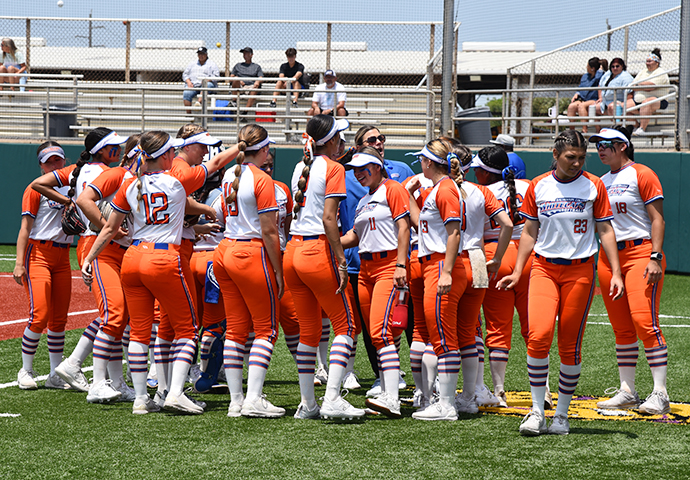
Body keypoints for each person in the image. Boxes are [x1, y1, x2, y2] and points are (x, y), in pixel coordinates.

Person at [81, 130, 242, 415]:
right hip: (164, 258)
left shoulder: (131, 184)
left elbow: (108, 228)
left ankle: (141, 399)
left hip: (132, 259)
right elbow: (215, 164)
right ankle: (176, 393)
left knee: (141, 333)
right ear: (167, 155)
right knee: (188, 330)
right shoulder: (176, 182)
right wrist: (239, 146)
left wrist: (90, 259)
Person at [497, 130, 624, 436]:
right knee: (538, 336)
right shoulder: (539, 185)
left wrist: (616, 272)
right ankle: (537, 411)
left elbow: (605, 230)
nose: (577, 163)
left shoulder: (594, 185)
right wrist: (517, 271)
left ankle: (562, 416)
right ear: (555, 155)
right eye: (571, 157)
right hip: (543, 268)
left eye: (582, 158)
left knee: (569, 344)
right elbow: (529, 232)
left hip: (580, 272)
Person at [31, 128, 128, 398]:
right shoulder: (105, 173)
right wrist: (77, 206)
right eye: (113, 146)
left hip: (97, 241)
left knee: (117, 314)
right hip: (97, 242)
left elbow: (38, 183)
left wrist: (69, 201)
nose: (117, 151)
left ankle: (111, 380)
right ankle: (81, 368)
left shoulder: (77, 169)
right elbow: (37, 187)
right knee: (113, 313)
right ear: (100, 149)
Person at [285, 114, 364, 420]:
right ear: (330, 140)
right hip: (317, 251)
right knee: (346, 326)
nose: (342, 141)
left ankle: (308, 404)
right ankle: (331, 397)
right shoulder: (333, 168)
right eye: (339, 136)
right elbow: (329, 218)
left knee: (309, 330)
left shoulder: (299, 167)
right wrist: (341, 259)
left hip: (294, 249)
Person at [590, 127, 669, 415]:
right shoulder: (600, 181)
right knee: (622, 328)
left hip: (639, 251)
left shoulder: (642, 173)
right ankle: (627, 391)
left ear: (623, 146)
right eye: (597, 144)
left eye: (606, 144)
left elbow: (657, 218)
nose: (600, 149)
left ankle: (660, 393)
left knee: (644, 322)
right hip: (609, 257)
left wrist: (655, 256)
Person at [214, 125, 285, 418]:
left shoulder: (231, 175)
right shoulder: (261, 179)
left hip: (226, 250)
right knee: (266, 330)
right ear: (265, 150)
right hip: (250, 252)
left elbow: (220, 212)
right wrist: (279, 271)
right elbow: (269, 231)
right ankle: (253, 398)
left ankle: (236, 400)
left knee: (235, 330)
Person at [342, 125, 415, 396]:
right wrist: (328, 241)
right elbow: (355, 235)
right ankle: (387, 384)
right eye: (355, 170)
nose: (358, 173)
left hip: (387, 267)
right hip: (365, 269)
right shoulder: (365, 199)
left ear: (376, 165)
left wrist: (400, 264)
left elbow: (404, 227)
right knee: (377, 333)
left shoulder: (392, 188)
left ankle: (392, 392)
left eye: (364, 168)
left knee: (382, 331)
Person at [406, 139, 466, 421]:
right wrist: (409, 196)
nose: (420, 164)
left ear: (429, 162)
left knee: (443, 337)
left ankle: (446, 404)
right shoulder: (437, 190)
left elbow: (454, 233)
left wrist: (446, 271)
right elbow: (424, 225)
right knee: (438, 335)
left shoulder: (445, 190)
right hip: (433, 262)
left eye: (422, 160)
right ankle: (443, 401)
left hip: (441, 263)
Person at [469, 145, 532, 407]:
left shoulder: (478, 191)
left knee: (496, 327)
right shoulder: (529, 186)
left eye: (477, 169)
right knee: (534, 326)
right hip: (528, 255)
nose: (473, 172)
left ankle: (499, 389)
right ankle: (545, 388)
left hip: (492, 254)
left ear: (486, 172)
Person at [454, 144, 513, 412]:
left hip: (451, 258)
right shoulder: (482, 191)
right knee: (473, 328)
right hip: (480, 255)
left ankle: (434, 394)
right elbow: (509, 225)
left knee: (437, 329)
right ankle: (476, 390)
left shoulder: (438, 188)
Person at [14, 142, 73, 390]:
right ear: (41, 165)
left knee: (59, 319)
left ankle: (54, 374)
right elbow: (25, 228)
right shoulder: (34, 189)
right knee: (40, 314)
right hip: (38, 253)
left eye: (58, 160)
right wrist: (19, 262)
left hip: (63, 256)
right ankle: (25, 370)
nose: (54, 165)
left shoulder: (73, 186)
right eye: (49, 162)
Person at [626, 49, 671, 136]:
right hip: (638, 101)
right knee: (622, 106)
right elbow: (632, 86)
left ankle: (642, 128)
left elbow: (651, 86)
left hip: (658, 100)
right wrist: (642, 86)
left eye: (650, 61)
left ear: (657, 62)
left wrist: (639, 85)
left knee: (646, 103)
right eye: (647, 61)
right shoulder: (642, 72)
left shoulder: (661, 72)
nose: (647, 63)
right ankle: (636, 125)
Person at [566, 57, 604, 133]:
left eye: (588, 66)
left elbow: (599, 79)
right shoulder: (585, 76)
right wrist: (577, 93)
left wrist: (600, 70)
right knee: (571, 106)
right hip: (583, 99)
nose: (586, 67)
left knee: (581, 106)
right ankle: (571, 131)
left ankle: (584, 129)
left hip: (594, 99)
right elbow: (581, 87)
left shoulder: (600, 76)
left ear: (592, 68)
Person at [182, 47, 220, 114]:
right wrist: (188, 82)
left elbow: (217, 76)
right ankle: (188, 114)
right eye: (199, 54)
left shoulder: (212, 64)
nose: (201, 56)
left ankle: (198, 103)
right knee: (186, 93)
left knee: (206, 86)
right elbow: (185, 74)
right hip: (193, 85)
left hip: (205, 85)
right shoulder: (192, 64)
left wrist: (207, 80)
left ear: (206, 54)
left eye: (202, 54)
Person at [231, 47, 264, 113]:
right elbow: (231, 76)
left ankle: (245, 111)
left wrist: (257, 81)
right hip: (240, 86)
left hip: (251, 86)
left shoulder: (256, 66)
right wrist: (239, 80)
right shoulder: (238, 65)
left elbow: (261, 77)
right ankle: (234, 101)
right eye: (244, 53)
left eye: (247, 53)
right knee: (235, 79)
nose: (245, 54)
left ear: (251, 55)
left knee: (255, 88)